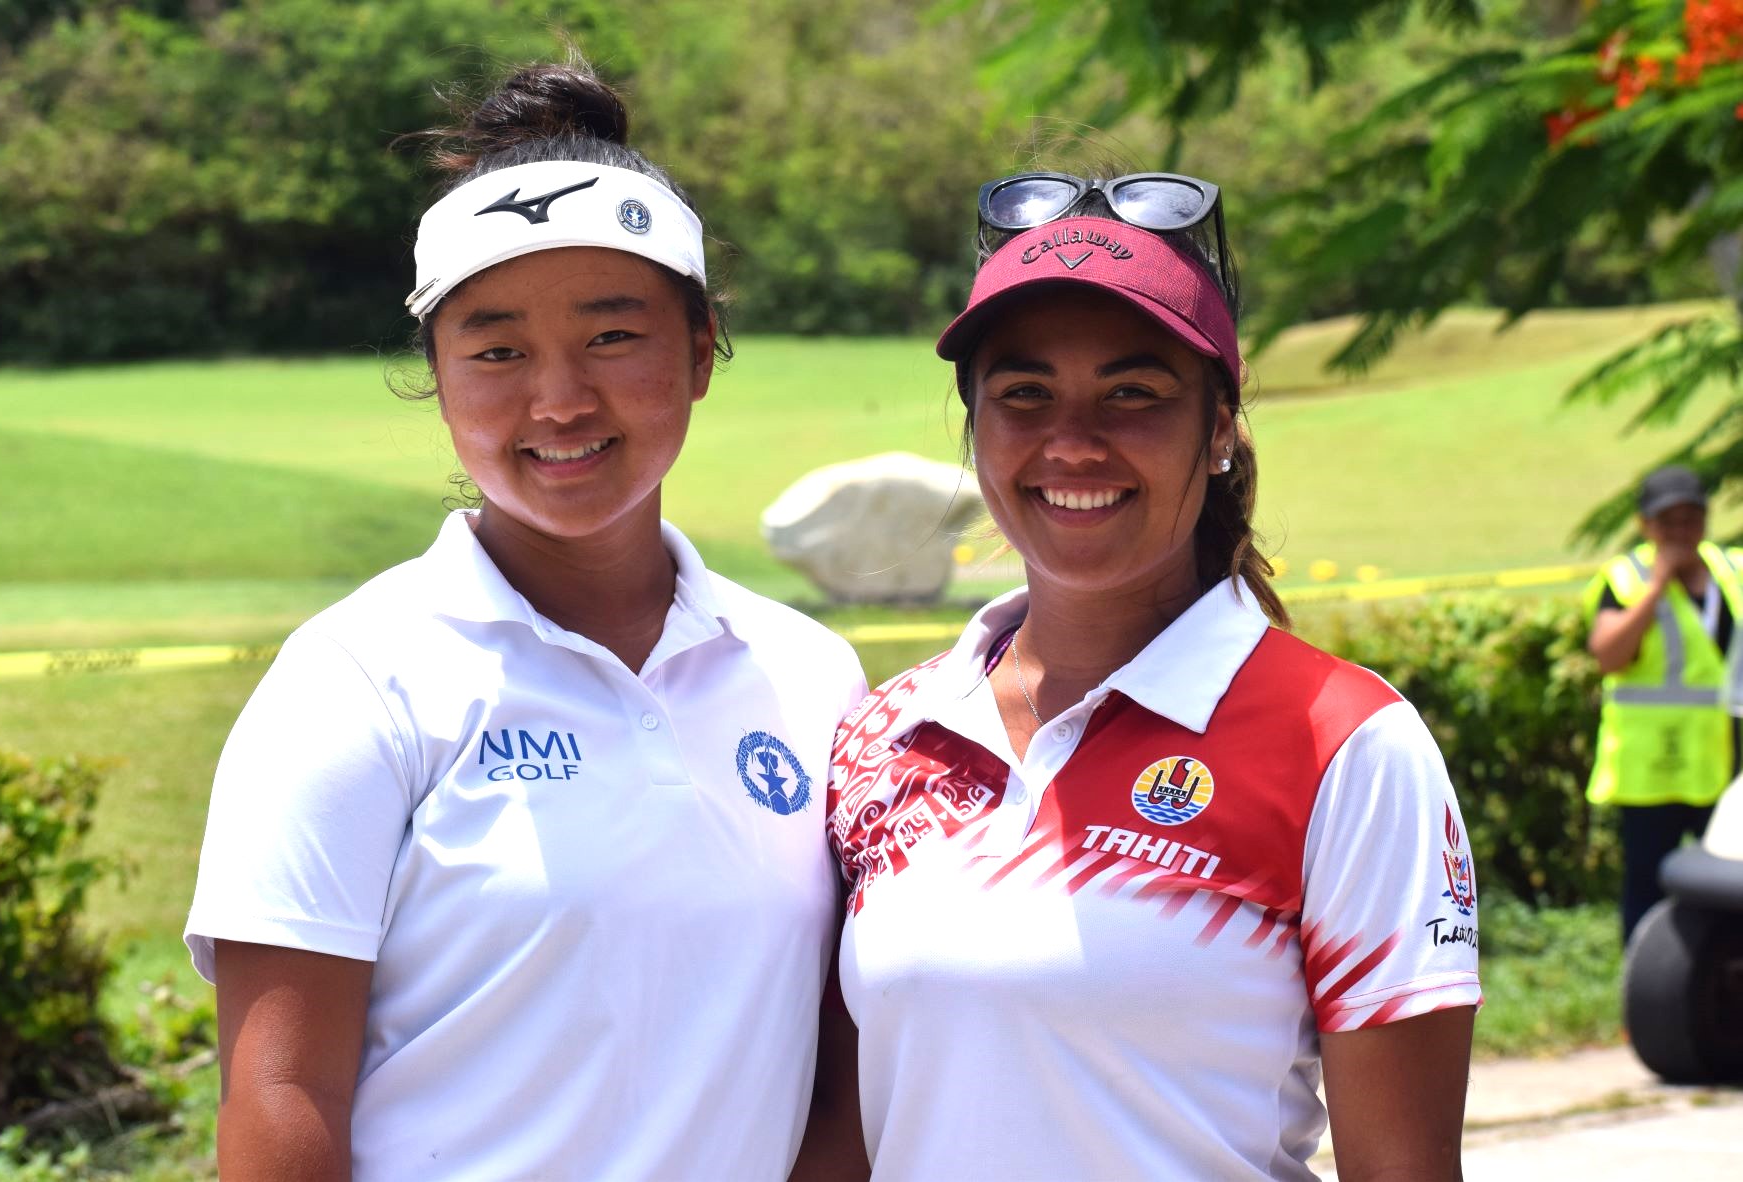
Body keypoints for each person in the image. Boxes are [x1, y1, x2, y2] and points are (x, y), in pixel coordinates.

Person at [183, 59, 866, 1181]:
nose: (557, 402)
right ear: (439, 380)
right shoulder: (356, 680)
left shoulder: (810, 676)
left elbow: (840, 1078)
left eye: (612, 337)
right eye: (496, 349)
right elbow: (281, 1098)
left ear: (700, 352)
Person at [821, 172, 1481, 1180]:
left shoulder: (1346, 743)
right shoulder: (883, 735)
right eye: (1024, 393)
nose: (1073, 440)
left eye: (1134, 393)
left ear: (1219, 429)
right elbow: (838, 1140)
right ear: (976, 427)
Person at [1585, 464, 1743, 944]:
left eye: (1691, 519)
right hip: (1650, 769)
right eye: (1667, 521)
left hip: (1721, 763)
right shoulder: (1625, 577)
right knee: (1646, 889)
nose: (1680, 532)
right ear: (1645, 524)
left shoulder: (1733, 569)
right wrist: (1656, 588)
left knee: (1729, 886)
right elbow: (1609, 655)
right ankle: (1646, 1004)